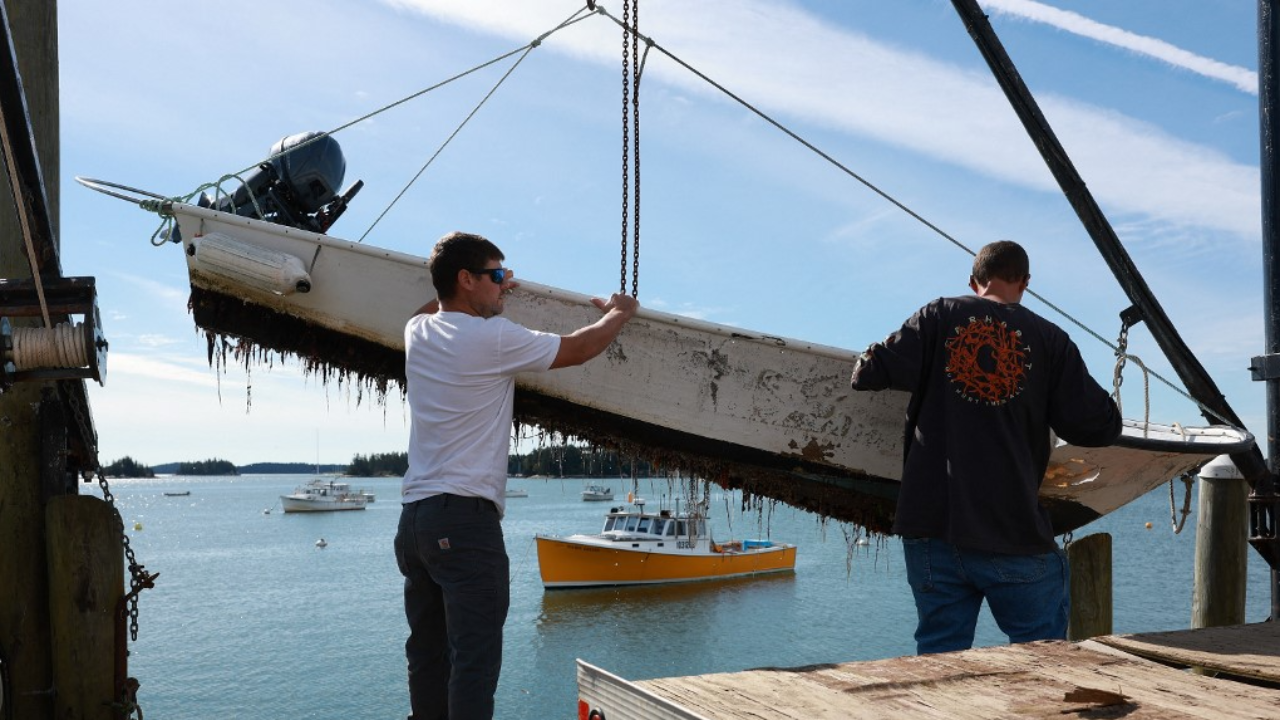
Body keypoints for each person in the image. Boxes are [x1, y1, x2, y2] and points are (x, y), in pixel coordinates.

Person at [394, 231, 639, 719]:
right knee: (475, 661)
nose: (505, 285)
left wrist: (486, 290)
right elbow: (578, 349)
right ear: (466, 280)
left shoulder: (417, 333)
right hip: (465, 521)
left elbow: (429, 309)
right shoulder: (492, 338)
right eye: (497, 275)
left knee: (427, 654)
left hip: (415, 522)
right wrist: (619, 312)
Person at [849, 240, 1121, 654]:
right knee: (1043, 656)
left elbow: (867, 373)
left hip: (931, 530)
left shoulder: (939, 315)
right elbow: (1101, 425)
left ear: (973, 281)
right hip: (1012, 531)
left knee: (940, 661)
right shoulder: (1050, 340)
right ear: (1025, 283)